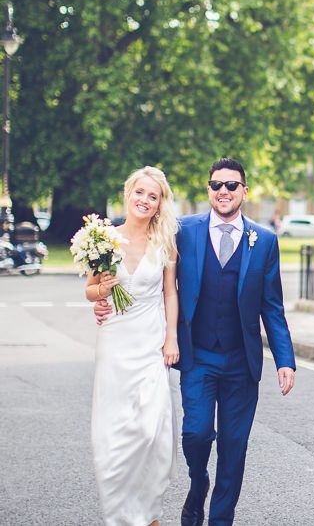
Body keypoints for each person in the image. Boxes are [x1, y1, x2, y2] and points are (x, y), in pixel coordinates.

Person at [95, 157, 296, 526]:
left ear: (244, 192)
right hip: (199, 357)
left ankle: (220, 520)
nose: (224, 191)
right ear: (208, 190)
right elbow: (153, 276)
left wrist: (285, 359)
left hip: (242, 363)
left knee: (234, 450)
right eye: (217, 185)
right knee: (196, 433)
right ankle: (197, 480)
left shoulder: (264, 241)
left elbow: (272, 305)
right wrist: (105, 302)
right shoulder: (183, 231)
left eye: (232, 185)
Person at [87, 166, 179, 526]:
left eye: (152, 196)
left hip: (151, 341)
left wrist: (171, 337)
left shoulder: (165, 241)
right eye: (140, 192)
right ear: (128, 193)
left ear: (159, 204)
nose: (144, 200)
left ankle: (148, 511)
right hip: (115, 340)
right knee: (115, 432)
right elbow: (90, 289)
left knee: (151, 429)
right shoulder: (103, 238)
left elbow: (170, 292)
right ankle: (121, 516)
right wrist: (101, 293)